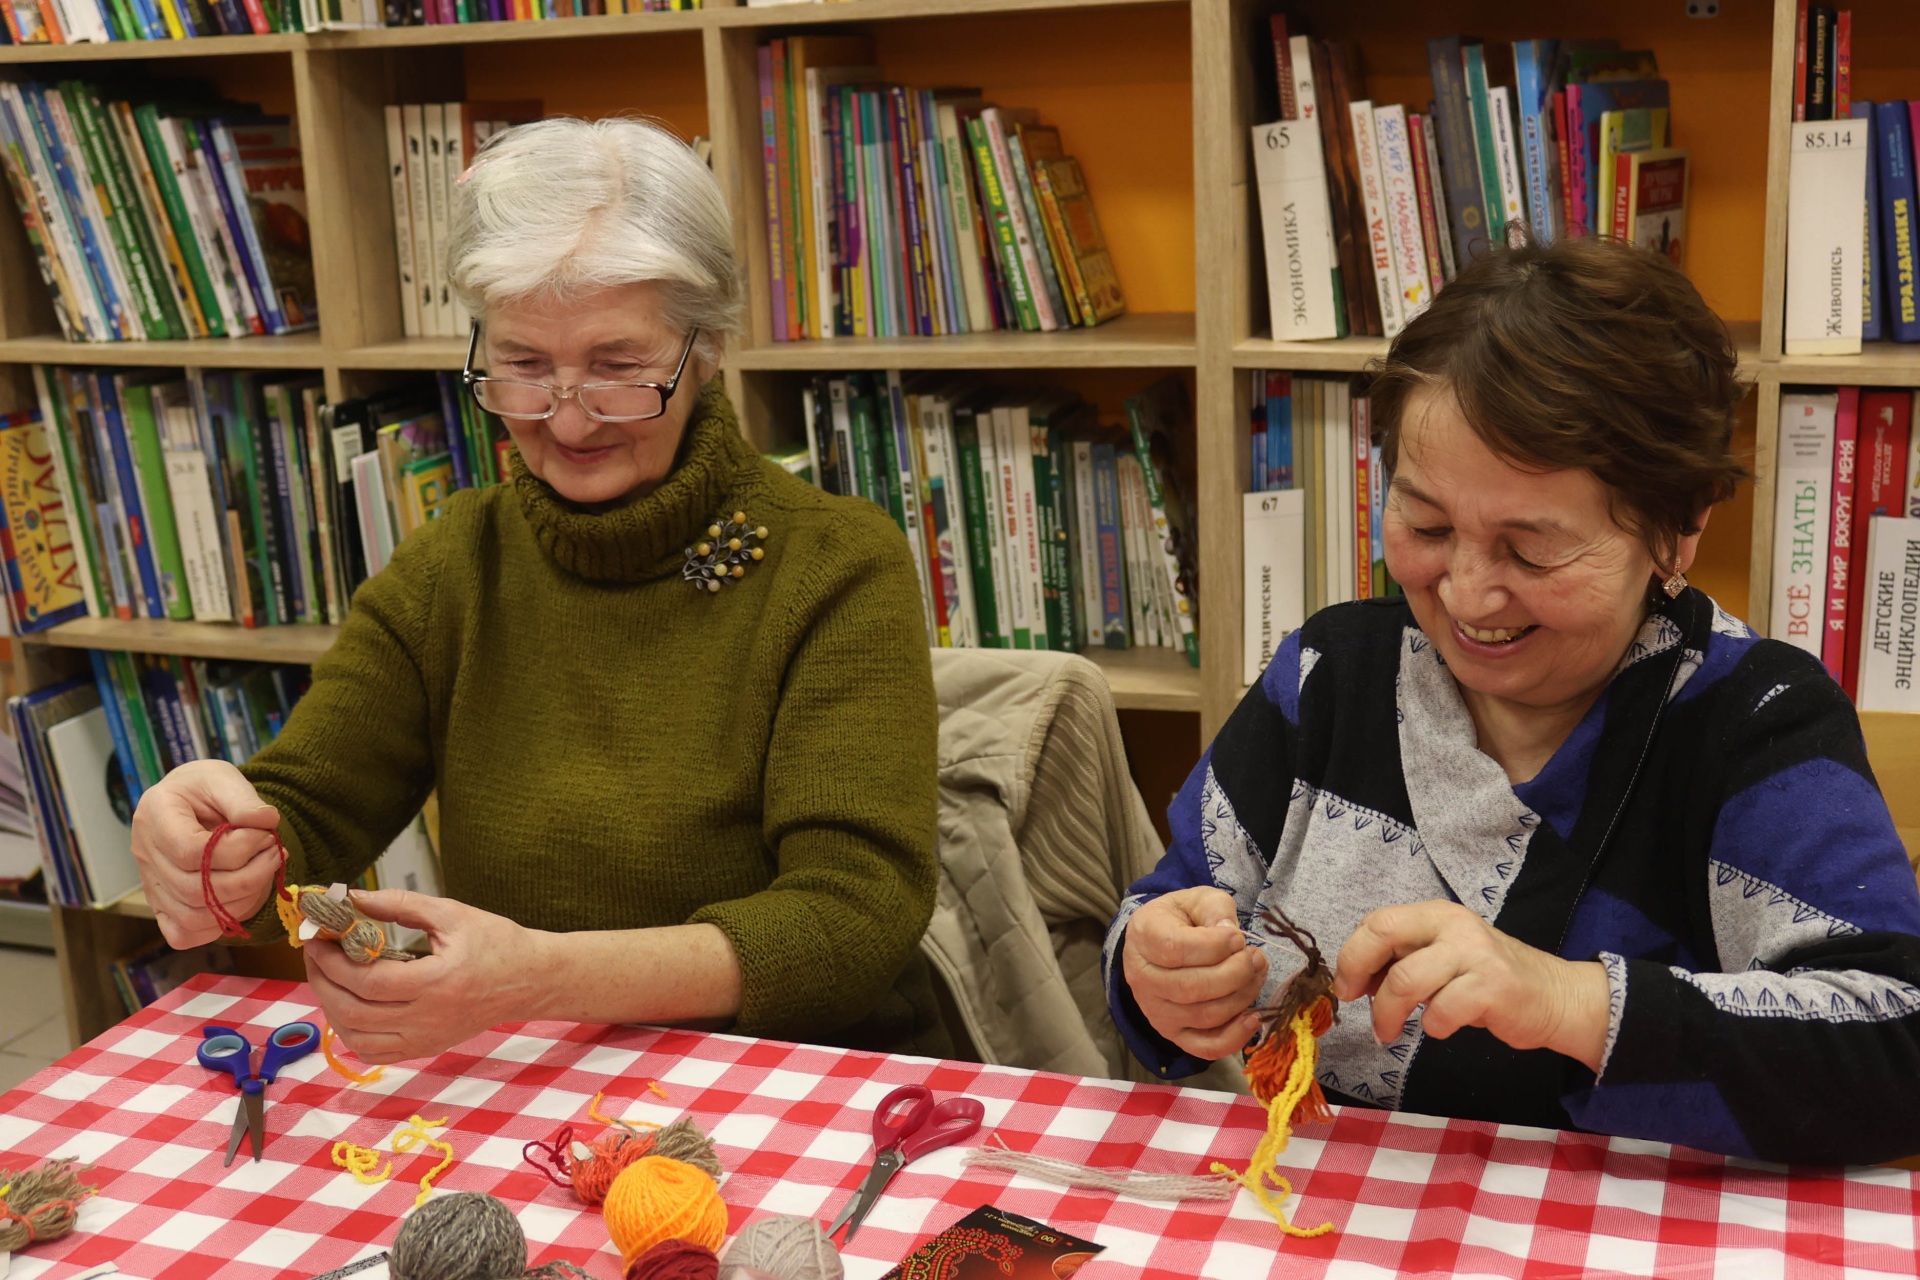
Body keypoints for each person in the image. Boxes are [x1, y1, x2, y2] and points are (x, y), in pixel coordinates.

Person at [129, 117, 948, 1065]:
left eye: (617, 368)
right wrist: (214, 846)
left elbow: (852, 921)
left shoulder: (837, 565)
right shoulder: (456, 564)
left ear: (710, 345)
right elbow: (306, 810)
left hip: (801, 1079)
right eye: (522, 365)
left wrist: (541, 975)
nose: (567, 420)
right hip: (541, 1073)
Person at [1106, 231, 1920, 1164]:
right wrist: (1157, 971)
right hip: (1335, 1210)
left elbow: (1897, 1050)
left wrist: (1566, 1000)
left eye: (1531, 551)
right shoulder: (1329, 676)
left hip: (1627, 1225)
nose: (1465, 594)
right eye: (1426, 525)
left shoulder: (1754, 722)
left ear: (1678, 529)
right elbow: (1164, 912)